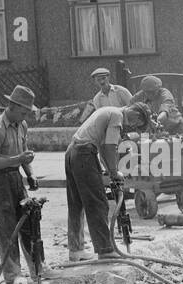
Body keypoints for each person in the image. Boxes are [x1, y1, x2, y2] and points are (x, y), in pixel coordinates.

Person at [64, 102, 150, 260]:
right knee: (98, 203)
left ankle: (75, 250)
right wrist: (113, 171)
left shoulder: (109, 111)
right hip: (84, 153)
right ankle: (105, 250)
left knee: (77, 203)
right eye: (136, 123)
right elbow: (111, 147)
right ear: (136, 115)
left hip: (72, 151)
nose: (132, 126)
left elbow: (104, 148)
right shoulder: (117, 116)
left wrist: (111, 171)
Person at [0, 84, 42, 284]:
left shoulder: (21, 125)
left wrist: (30, 174)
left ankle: (36, 268)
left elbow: (23, 152)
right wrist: (17, 158)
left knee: (28, 223)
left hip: (15, 177)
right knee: (7, 227)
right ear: (13, 106)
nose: (26, 116)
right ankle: (12, 273)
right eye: (24, 111)